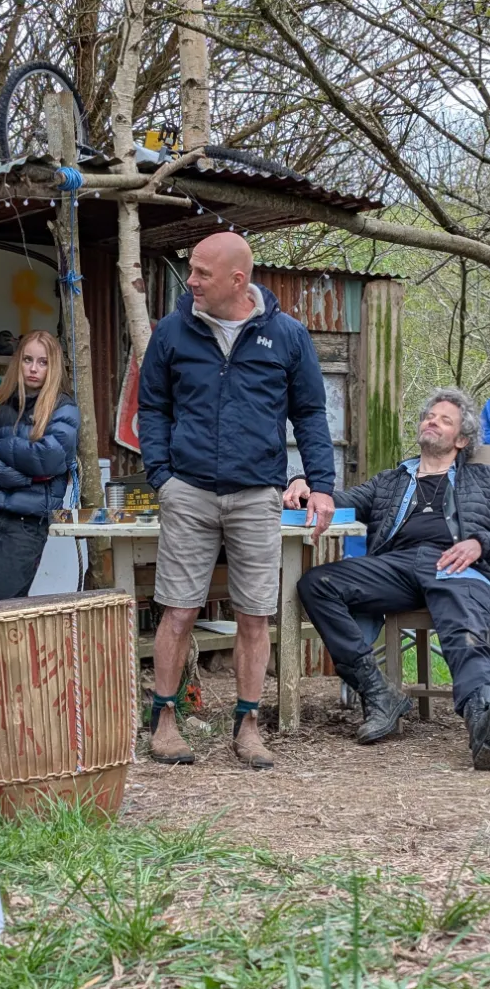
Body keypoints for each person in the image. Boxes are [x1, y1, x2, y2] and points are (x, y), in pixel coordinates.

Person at [138, 231, 336, 769]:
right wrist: (163, 477)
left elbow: (311, 415)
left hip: (256, 495)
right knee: (177, 612)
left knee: (254, 616)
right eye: (192, 270)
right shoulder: (172, 333)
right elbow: (151, 408)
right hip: (190, 492)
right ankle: (165, 721)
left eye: (202, 272)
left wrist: (321, 486)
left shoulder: (287, 336)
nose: (191, 280)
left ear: (237, 280)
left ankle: (248, 726)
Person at [285, 387, 491, 771]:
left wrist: (480, 542)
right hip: (395, 567)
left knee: (465, 626)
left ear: (462, 440)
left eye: (445, 420)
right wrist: (305, 486)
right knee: (317, 584)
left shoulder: (481, 479)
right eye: (430, 415)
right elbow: (336, 501)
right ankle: (379, 693)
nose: (433, 420)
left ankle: (483, 720)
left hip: (454, 566)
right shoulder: (393, 480)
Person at [0, 330, 80, 604]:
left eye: (43, 361)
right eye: (28, 359)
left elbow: (47, 459)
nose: (34, 368)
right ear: (18, 362)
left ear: (54, 366)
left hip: (25, 527)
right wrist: (29, 478)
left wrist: (1, 445)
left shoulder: (64, 409)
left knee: (4, 615)